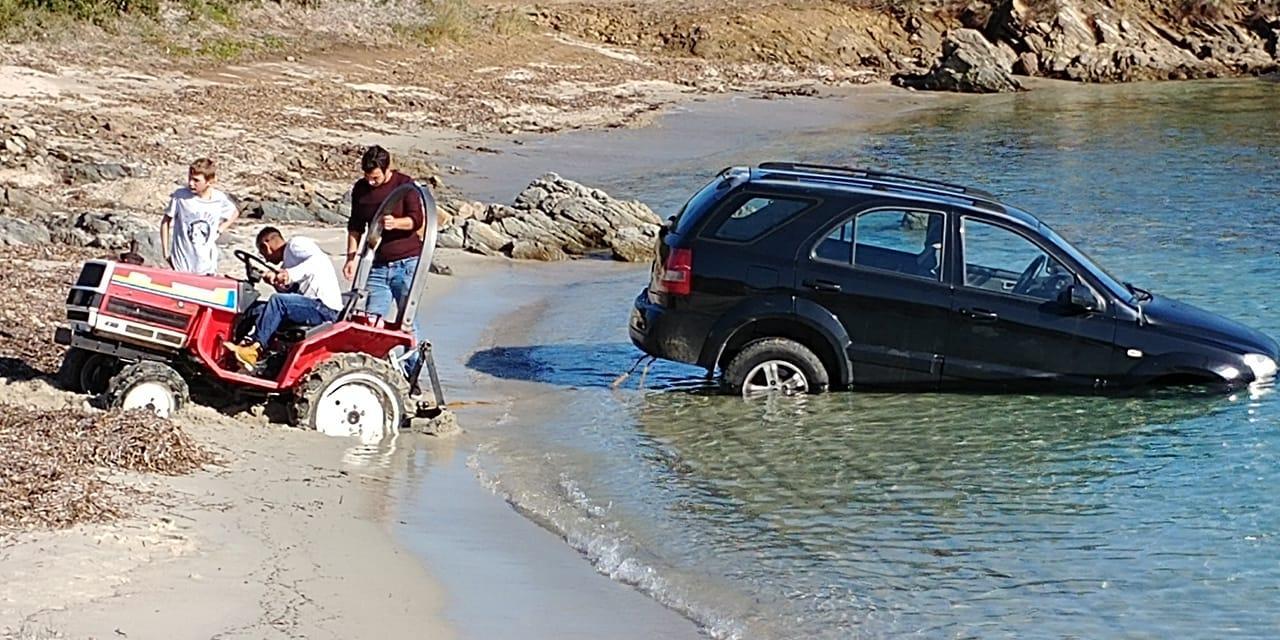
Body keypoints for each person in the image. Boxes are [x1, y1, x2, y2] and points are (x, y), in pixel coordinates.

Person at [343, 145, 426, 373]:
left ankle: (412, 372)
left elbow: (416, 221)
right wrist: (351, 258)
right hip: (377, 264)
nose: (371, 182)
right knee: (371, 318)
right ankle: (374, 367)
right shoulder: (361, 190)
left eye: (376, 178)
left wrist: (395, 223)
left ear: (387, 169)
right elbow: (356, 226)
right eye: (368, 177)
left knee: (407, 322)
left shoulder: (405, 186)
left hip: (407, 262)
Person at [223, 227, 343, 370]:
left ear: (266, 246)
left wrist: (288, 274)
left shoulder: (296, 245)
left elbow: (318, 260)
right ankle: (238, 348)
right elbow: (294, 294)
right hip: (309, 306)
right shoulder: (288, 263)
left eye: (263, 254)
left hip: (324, 308)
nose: (266, 259)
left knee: (278, 301)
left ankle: (255, 349)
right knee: (258, 308)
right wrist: (276, 282)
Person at [160, 158, 239, 275]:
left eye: (196, 180)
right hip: (181, 264)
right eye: (190, 178)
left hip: (206, 266)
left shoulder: (218, 199)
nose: (191, 183)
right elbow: (166, 221)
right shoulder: (180, 196)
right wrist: (166, 253)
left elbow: (234, 212)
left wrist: (221, 228)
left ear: (209, 181)